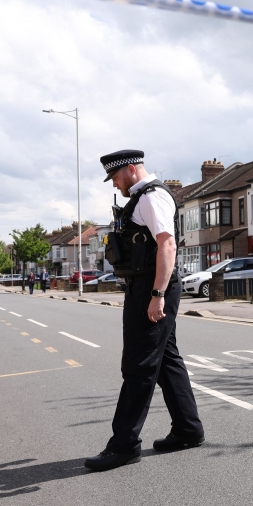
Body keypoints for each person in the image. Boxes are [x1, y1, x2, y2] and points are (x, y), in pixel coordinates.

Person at [84, 150, 204, 472]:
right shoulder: (140, 198)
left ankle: (123, 445)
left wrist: (157, 294)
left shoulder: (151, 198)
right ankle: (188, 429)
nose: (114, 185)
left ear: (131, 169)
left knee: (138, 366)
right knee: (166, 360)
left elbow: (167, 245)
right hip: (145, 287)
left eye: (116, 178)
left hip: (152, 289)